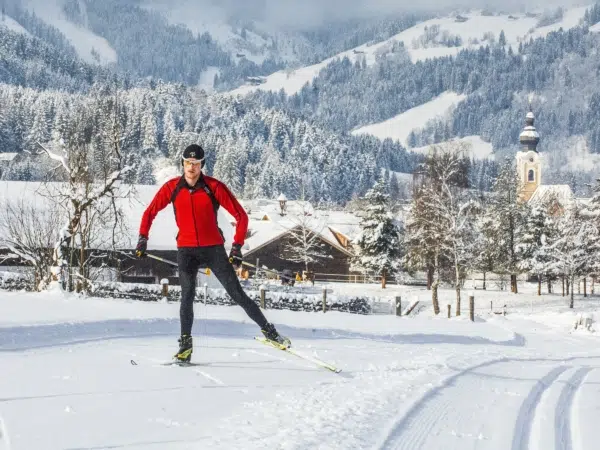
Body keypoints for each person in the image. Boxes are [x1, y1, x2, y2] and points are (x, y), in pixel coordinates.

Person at [136, 144, 290, 362]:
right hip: (186, 250)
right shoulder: (172, 188)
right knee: (186, 297)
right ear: (182, 163)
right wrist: (143, 238)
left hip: (213, 250)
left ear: (202, 165)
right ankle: (185, 345)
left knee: (237, 293)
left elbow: (241, 216)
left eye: (196, 163)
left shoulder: (213, 187)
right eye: (188, 163)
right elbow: (149, 212)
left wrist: (236, 246)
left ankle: (270, 332)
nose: (191, 167)